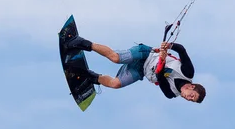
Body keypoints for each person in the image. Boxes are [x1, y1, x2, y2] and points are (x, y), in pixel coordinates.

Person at [65, 36, 206, 103]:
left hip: (142, 71)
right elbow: (181, 49)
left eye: (191, 100)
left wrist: (162, 61)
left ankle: (88, 76)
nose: (188, 98)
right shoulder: (188, 72)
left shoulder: (171, 94)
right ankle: (80, 42)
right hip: (146, 54)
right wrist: (168, 46)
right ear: (192, 87)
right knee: (115, 58)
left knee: (115, 84)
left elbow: (160, 76)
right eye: (192, 96)